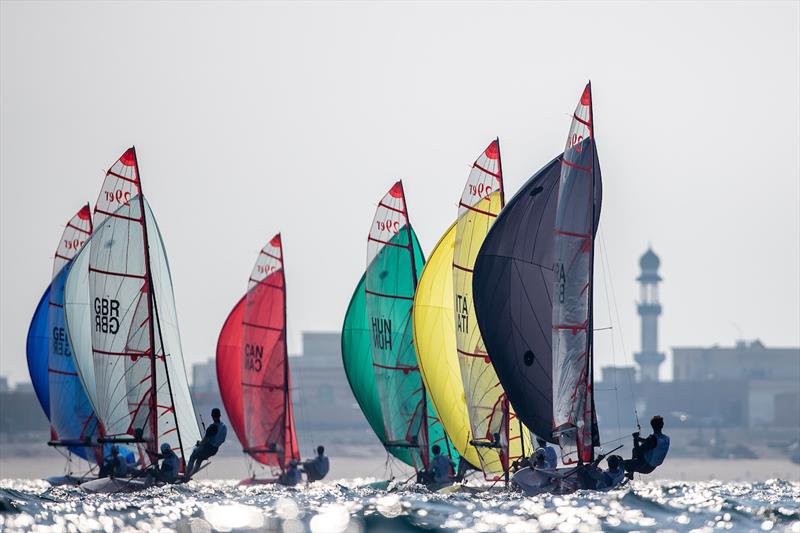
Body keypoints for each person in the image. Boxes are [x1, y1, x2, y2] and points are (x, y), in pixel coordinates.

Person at [184, 408, 228, 480]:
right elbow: (222, 440)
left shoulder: (212, 427)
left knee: (193, 456)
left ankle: (186, 475)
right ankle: (189, 475)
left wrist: (199, 443)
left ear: (212, 416)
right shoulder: (224, 427)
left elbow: (205, 440)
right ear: (220, 416)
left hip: (207, 448)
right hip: (214, 450)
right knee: (200, 459)